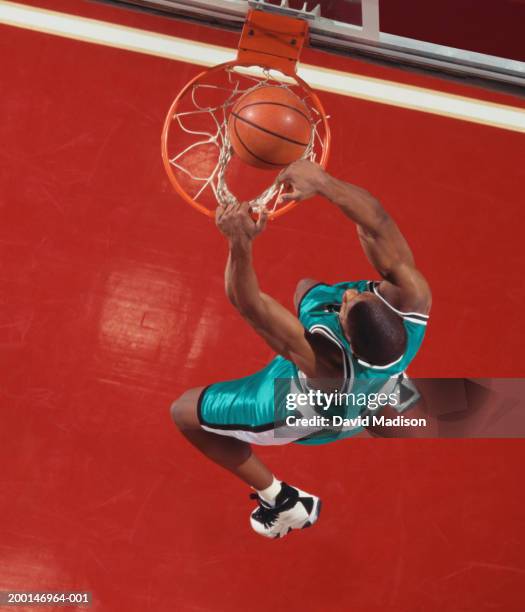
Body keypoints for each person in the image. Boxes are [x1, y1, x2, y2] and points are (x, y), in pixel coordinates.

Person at [170, 160, 432, 539]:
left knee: (183, 412)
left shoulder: (327, 366)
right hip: (370, 375)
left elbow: (250, 305)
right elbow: (378, 222)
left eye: (346, 305)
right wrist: (324, 184)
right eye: (357, 295)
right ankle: (388, 393)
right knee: (309, 289)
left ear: (349, 337)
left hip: (301, 405)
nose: (348, 293)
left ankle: (282, 501)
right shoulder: (413, 299)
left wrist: (239, 243)